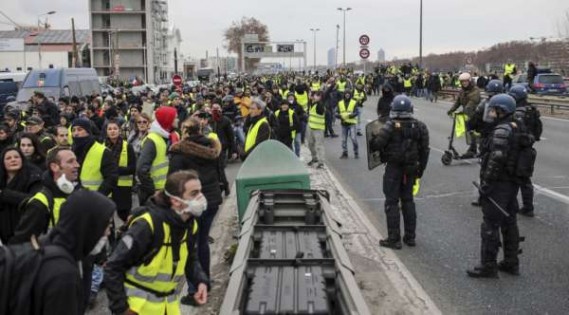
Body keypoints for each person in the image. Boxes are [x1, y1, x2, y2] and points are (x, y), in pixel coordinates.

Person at [105, 171, 209, 315]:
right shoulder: (147, 226)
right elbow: (113, 267)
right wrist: (121, 309)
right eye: (194, 193)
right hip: (137, 308)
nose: (201, 198)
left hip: (168, 306)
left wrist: (200, 281)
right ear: (176, 200)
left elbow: (190, 259)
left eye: (200, 192)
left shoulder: (190, 226)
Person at [467, 94, 524, 278]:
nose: (491, 113)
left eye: (493, 110)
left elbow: (496, 159)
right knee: (510, 222)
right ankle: (511, 262)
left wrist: (486, 183)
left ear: (502, 110)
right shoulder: (517, 125)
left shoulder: (501, 130)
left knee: (490, 225)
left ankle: (488, 266)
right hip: (511, 183)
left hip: (499, 184)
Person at [169, 118, 222, 305]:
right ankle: (205, 281)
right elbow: (219, 171)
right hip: (211, 200)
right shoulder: (212, 148)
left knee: (191, 245)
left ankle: (195, 290)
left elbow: (173, 180)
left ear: (185, 131)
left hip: (191, 204)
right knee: (202, 241)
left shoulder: (179, 152)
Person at [370, 95, 430, 249]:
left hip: (394, 169)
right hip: (411, 169)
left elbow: (377, 145)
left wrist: (373, 138)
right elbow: (425, 151)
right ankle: (410, 237)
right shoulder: (420, 126)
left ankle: (393, 239)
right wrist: (420, 170)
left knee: (391, 202)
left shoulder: (390, 125)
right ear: (410, 109)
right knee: (408, 201)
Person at [9, 147, 80, 244]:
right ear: (54, 167)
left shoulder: (77, 193)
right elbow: (19, 242)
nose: (77, 165)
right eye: (70, 162)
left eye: (76, 161)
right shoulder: (40, 203)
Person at [510, 85, 542, 217]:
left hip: (519, 150)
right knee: (525, 179)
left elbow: (514, 133)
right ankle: (527, 207)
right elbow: (538, 131)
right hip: (529, 149)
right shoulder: (532, 110)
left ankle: (522, 207)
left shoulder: (518, 113)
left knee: (515, 178)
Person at [0, 147, 42, 243]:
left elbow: (34, 200)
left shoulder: (33, 178)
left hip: (25, 234)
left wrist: (4, 194)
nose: (13, 160)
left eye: (16, 157)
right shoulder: (2, 180)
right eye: (8, 158)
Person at [137, 106, 177, 204]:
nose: (177, 119)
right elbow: (141, 169)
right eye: (175, 117)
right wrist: (153, 191)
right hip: (155, 194)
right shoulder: (152, 140)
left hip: (164, 190)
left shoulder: (167, 136)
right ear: (167, 120)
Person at [71, 118, 118, 196]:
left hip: (98, 201)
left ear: (88, 131)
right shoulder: (71, 151)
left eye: (80, 130)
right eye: (73, 130)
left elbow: (111, 178)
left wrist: (98, 196)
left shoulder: (103, 151)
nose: (76, 133)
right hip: (77, 199)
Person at [105, 120, 136, 222]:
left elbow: (132, 168)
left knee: (124, 215)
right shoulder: (102, 146)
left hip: (123, 188)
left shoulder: (127, 146)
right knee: (107, 217)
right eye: (109, 129)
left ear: (119, 131)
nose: (112, 131)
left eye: (115, 129)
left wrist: (115, 170)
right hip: (107, 186)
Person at [447, 72, 481, 158]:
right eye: (462, 82)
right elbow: (458, 102)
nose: (464, 83)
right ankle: (473, 149)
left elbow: (472, 103)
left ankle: (475, 149)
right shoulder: (462, 91)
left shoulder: (475, 90)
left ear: (469, 81)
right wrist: (451, 110)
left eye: (466, 81)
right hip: (467, 114)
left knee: (473, 131)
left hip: (475, 114)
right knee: (468, 131)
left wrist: (464, 111)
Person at [210, 103, 236, 196]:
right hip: (211, 148)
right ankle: (221, 186)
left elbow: (231, 137)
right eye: (214, 110)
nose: (216, 112)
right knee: (215, 169)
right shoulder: (210, 121)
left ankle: (225, 185)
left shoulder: (225, 121)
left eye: (218, 110)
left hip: (222, 148)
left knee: (220, 168)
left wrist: (233, 150)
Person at [337, 90, 360, 159]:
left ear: (350, 95)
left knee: (353, 138)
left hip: (352, 123)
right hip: (344, 123)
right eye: (346, 94)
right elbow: (336, 112)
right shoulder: (340, 103)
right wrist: (340, 116)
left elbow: (356, 112)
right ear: (344, 95)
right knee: (343, 140)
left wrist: (349, 116)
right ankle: (345, 152)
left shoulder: (354, 102)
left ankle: (356, 152)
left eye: (348, 94)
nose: (347, 95)